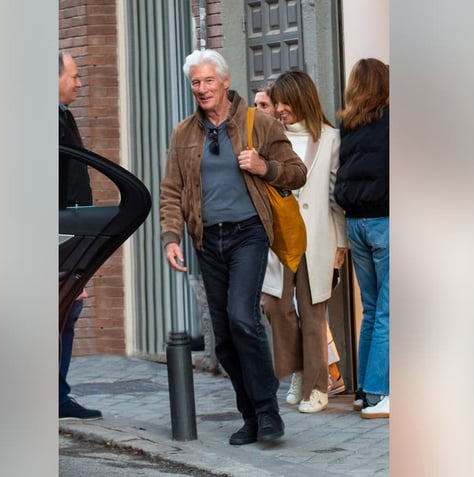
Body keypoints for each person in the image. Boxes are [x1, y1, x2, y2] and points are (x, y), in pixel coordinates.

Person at [160, 49, 306, 445]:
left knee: (243, 318)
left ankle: (267, 412)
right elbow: (172, 190)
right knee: (222, 336)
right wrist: (170, 237)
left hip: (248, 234)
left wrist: (265, 168)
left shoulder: (257, 123)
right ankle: (250, 416)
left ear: (225, 82)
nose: (202, 88)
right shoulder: (184, 133)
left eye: (209, 80)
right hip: (208, 240)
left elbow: (297, 173)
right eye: (195, 82)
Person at [260, 70, 347, 414]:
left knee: (312, 313)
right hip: (279, 240)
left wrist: (341, 243)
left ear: (300, 99)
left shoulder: (330, 139)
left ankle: (318, 386)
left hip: (316, 239)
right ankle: (299, 370)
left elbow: (334, 196)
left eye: (284, 101)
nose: (279, 108)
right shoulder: (271, 138)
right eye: (276, 102)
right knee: (276, 307)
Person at [333, 58, 390, 419]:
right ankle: (376, 394)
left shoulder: (348, 125)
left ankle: (362, 392)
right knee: (389, 312)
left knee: (372, 310)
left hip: (356, 223)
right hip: (386, 222)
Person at [58, 50, 101, 421]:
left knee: (68, 311)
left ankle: (57, 394)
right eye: (74, 75)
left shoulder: (63, 117)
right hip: (57, 236)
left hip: (68, 233)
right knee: (63, 309)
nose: (79, 82)